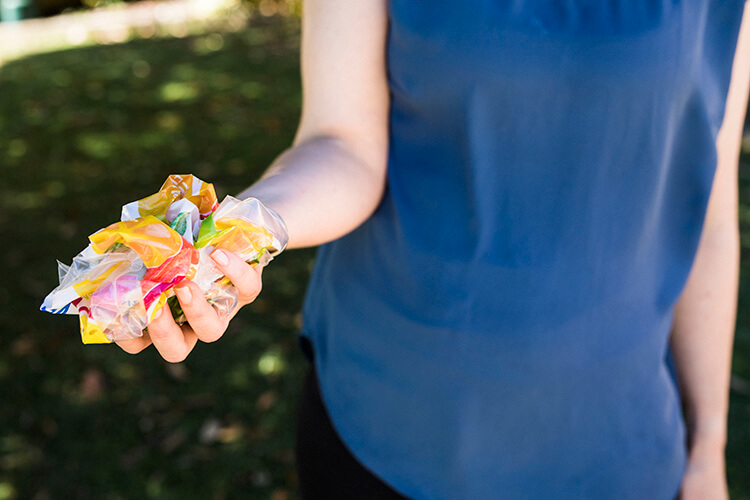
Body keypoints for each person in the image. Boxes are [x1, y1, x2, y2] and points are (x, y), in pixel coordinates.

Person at [117, 1, 750, 498]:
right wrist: (243, 229)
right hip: (387, 429)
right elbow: (342, 142)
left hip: (618, 449)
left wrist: (709, 446)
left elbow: (709, 214)